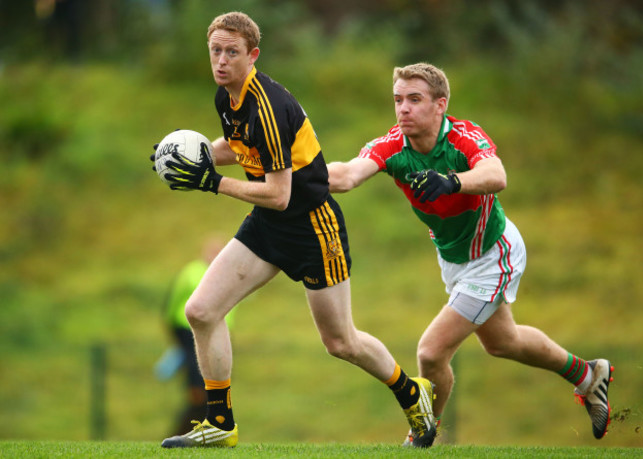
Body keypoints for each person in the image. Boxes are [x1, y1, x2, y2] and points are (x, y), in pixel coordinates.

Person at [151, 12, 437, 449]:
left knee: (341, 342)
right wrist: (190, 155)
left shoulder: (268, 106)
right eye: (216, 50)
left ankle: (410, 391)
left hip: (312, 228)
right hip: (268, 225)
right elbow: (238, 145)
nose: (222, 60)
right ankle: (221, 423)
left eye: (233, 52)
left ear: (253, 56)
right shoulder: (227, 97)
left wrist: (211, 182)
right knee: (201, 311)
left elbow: (280, 193)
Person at [327, 62, 613, 445]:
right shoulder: (393, 145)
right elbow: (345, 175)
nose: (403, 109)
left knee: (430, 352)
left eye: (414, 99)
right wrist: (289, 170)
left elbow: (497, 175)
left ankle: (424, 437)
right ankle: (588, 374)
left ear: (440, 105)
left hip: (494, 255)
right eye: (398, 100)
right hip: (456, 259)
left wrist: (452, 181)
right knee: (502, 342)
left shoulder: (462, 136)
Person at [155, 237, 234, 437]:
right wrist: (175, 334)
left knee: (210, 384)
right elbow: (173, 302)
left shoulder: (231, 275)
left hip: (217, 332)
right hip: (187, 330)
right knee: (197, 385)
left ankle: (207, 425)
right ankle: (193, 428)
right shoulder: (191, 272)